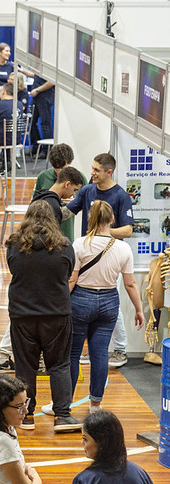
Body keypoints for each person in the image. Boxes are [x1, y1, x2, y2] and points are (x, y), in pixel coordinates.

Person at [5, 201, 81, 433]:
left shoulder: (14, 245)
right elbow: (68, 273)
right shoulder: (65, 246)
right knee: (59, 364)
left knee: (25, 367)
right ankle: (63, 416)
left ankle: (25, 417)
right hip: (56, 313)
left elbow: (12, 269)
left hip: (22, 313)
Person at [68, 200, 144, 412]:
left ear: (90, 219)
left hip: (81, 300)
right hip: (109, 301)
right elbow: (130, 283)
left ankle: (66, 405)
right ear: (112, 219)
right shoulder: (123, 249)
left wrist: (61, 305)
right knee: (100, 353)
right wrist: (138, 309)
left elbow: (72, 280)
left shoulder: (80, 244)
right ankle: (95, 404)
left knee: (73, 354)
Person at [64, 153, 134, 368]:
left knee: (112, 304)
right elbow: (68, 212)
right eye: (92, 168)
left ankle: (120, 349)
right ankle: (90, 348)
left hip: (111, 256)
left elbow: (128, 230)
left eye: (96, 170)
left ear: (109, 172)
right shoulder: (86, 190)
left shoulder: (121, 196)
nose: (91, 173)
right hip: (87, 255)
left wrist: (103, 234)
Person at [64, 411, 164, 484]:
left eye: (85, 439)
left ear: (101, 443)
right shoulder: (140, 475)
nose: (82, 443)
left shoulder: (83, 482)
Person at [32, 143, 87, 241]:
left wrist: (74, 203)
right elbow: (33, 203)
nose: (60, 172)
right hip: (43, 236)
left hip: (66, 235)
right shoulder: (43, 176)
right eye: (56, 168)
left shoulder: (79, 178)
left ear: (70, 162)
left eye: (63, 168)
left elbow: (87, 206)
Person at [29, 76, 55, 149]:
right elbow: (35, 75)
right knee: (31, 123)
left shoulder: (50, 67)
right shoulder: (40, 67)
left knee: (45, 124)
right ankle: (36, 147)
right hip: (37, 97)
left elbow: (52, 81)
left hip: (45, 97)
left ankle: (47, 150)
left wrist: (37, 90)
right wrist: (21, 70)